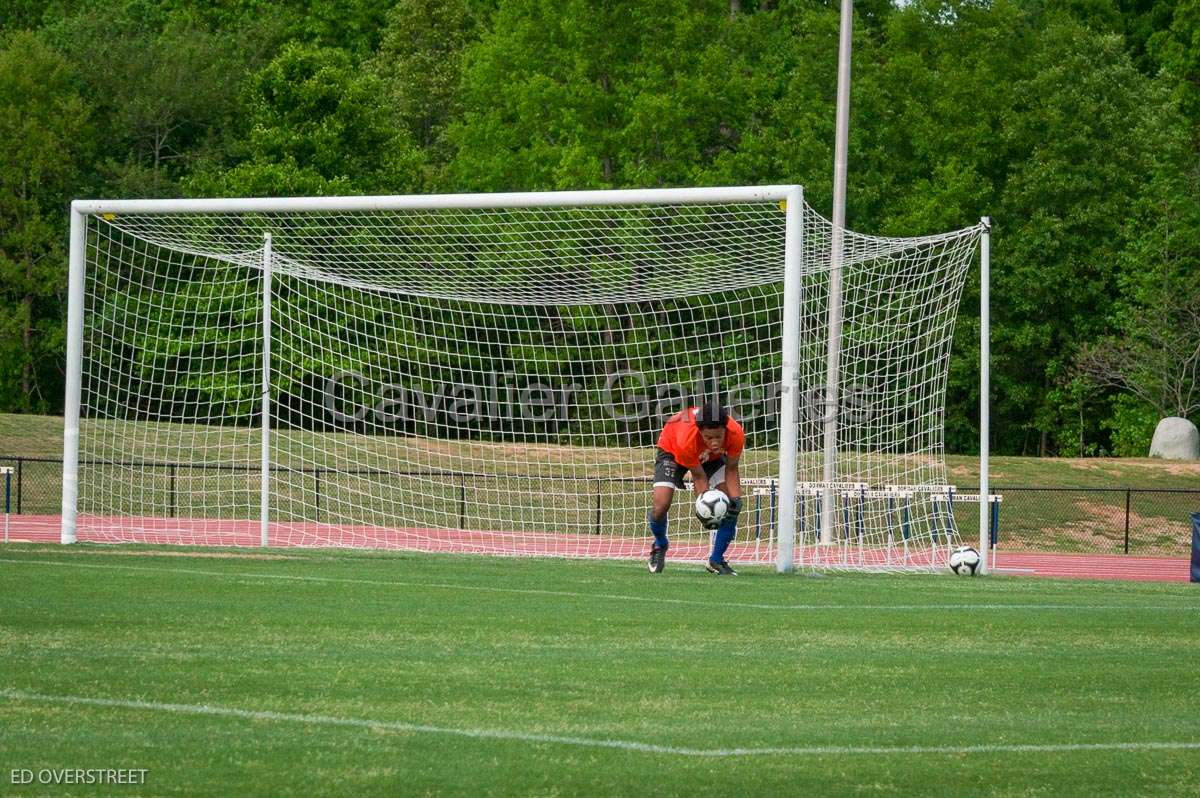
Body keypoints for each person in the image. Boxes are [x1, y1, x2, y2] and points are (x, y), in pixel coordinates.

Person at [647, 400, 744, 575]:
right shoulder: (687, 439)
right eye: (708, 438)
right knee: (660, 506)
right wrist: (705, 508)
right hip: (672, 449)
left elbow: (731, 469)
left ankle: (716, 560)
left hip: (710, 458)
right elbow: (699, 476)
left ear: (726, 429)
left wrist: (737, 499)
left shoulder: (736, 433)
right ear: (700, 432)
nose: (714, 442)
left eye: (718, 437)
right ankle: (660, 544)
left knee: (731, 504)